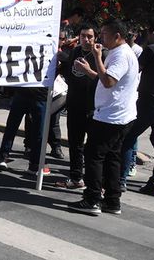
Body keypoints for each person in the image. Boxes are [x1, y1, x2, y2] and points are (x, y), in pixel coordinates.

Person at [68, 19, 139, 216]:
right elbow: (103, 78)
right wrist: (89, 71)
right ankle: (112, 200)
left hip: (111, 116)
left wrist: (97, 57)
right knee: (112, 158)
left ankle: (92, 199)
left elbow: (108, 81)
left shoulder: (120, 55)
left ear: (117, 36)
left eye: (105, 34)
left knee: (94, 156)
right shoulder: (120, 53)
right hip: (116, 114)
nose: (101, 38)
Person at [55, 23, 105, 189]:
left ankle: (96, 184)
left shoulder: (101, 54)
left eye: (90, 36)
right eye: (83, 35)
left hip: (93, 108)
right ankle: (76, 178)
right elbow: (68, 72)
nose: (86, 39)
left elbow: (106, 81)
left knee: (93, 149)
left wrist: (88, 70)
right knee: (75, 144)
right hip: (74, 105)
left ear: (95, 38)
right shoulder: (75, 51)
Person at [120, 20, 154, 196]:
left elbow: (134, 70)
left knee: (128, 136)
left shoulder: (152, 50)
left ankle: (120, 179)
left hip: (149, 102)